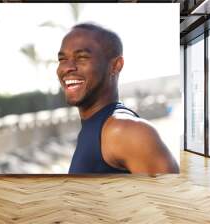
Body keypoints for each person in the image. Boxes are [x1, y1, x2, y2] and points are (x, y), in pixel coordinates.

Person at [56, 23, 179, 174]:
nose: (67, 67)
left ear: (116, 65)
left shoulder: (125, 131)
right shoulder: (96, 126)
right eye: (62, 59)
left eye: (81, 57)